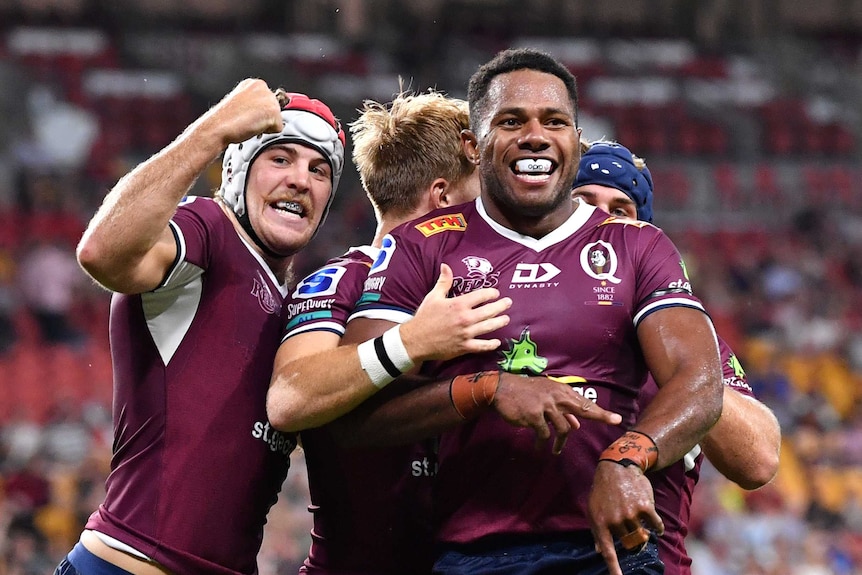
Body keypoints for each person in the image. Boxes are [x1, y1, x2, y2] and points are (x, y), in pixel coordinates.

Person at [338, 47, 723, 575]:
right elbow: (354, 413)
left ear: (573, 140)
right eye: (512, 120)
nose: (536, 136)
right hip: (472, 553)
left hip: (612, 551)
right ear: (474, 147)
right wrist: (486, 390)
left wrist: (627, 456)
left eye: (555, 121)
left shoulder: (639, 245)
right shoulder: (420, 245)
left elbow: (700, 382)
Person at [268, 89, 621, 574]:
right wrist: (411, 341)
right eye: (484, 194)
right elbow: (291, 400)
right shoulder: (340, 280)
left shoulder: (487, 287)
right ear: (441, 201)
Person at [55, 79, 347, 575]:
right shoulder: (210, 229)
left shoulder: (300, 306)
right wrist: (213, 130)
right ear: (236, 170)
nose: (301, 179)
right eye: (281, 158)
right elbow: (101, 253)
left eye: (320, 170)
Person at [572, 140, 781, 574]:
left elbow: (759, 460)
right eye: (582, 202)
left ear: (643, 232)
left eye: (619, 210)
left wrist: (684, 371)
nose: (600, 220)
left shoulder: (678, 330)